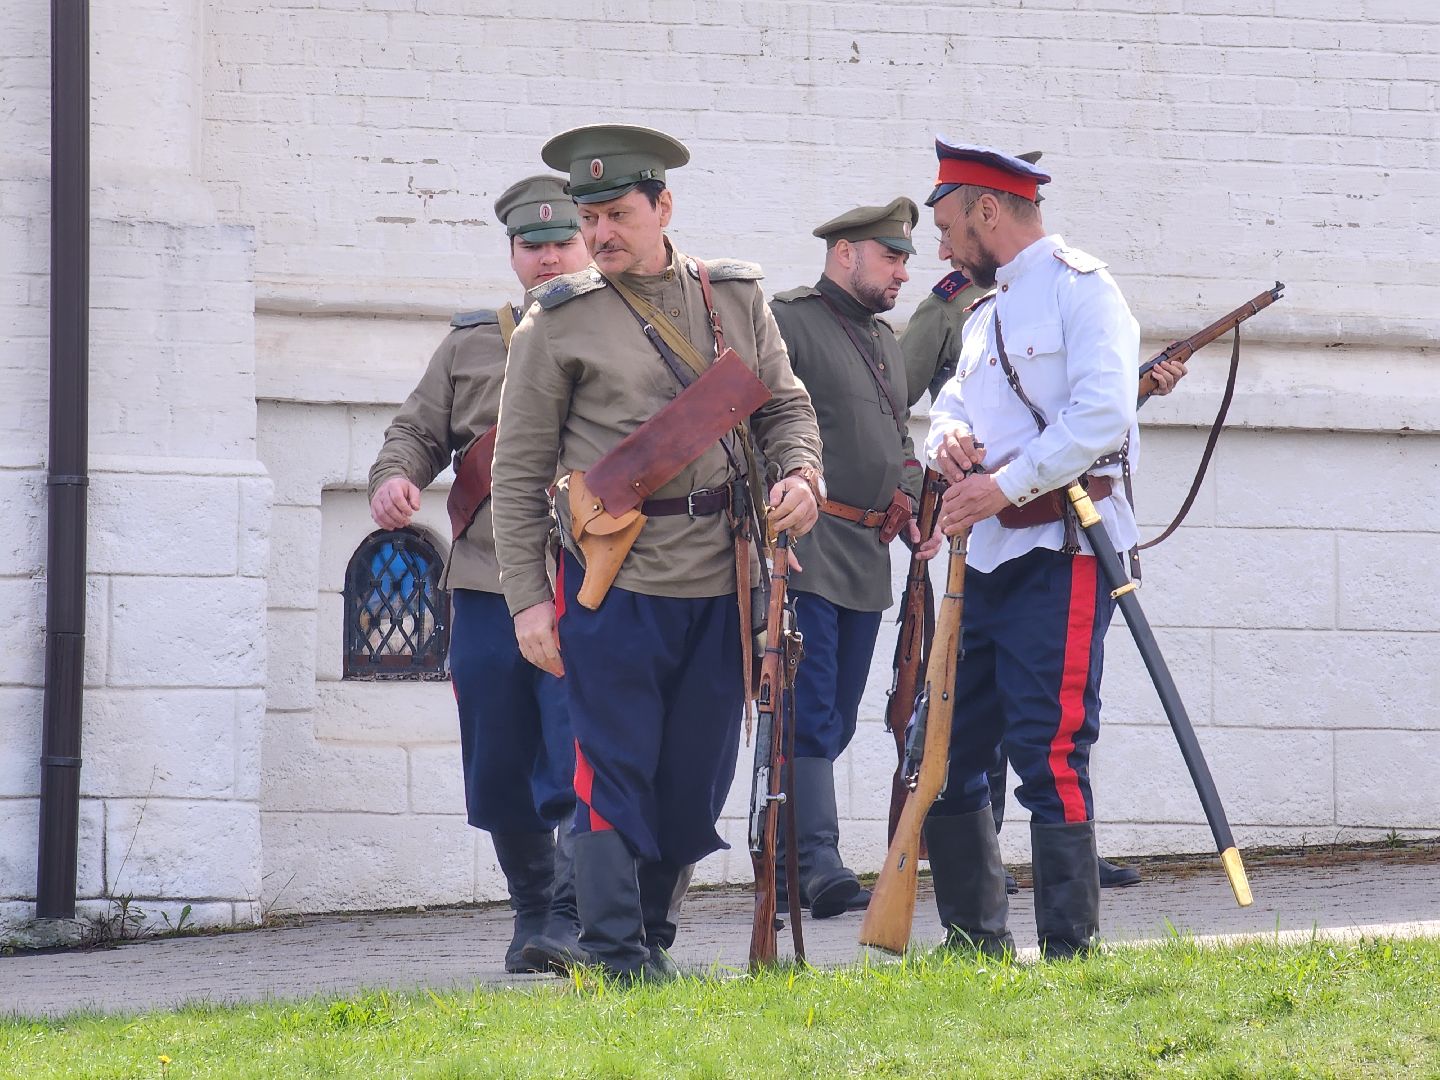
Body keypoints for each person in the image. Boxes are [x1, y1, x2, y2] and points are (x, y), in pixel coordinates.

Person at [490, 124, 824, 981]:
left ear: (663, 206)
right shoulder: (557, 321)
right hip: (611, 584)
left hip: (723, 578)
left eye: (618, 215)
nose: (599, 233)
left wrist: (801, 474)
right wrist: (528, 601)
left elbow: (785, 406)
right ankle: (613, 952)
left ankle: (652, 936)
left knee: (693, 778)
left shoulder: (735, 298)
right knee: (612, 770)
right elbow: (517, 474)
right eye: (588, 217)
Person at [900, 150, 1183, 894]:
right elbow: (951, 406)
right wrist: (946, 439)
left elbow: (1101, 417)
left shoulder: (1084, 291)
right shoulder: (984, 313)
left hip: (1063, 548)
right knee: (949, 748)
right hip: (983, 558)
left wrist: (1002, 487)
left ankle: (1067, 943)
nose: (942, 249)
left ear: (988, 211)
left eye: (947, 227)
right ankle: (973, 940)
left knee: (1048, 749)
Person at [366, 174, 590, 975]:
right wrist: (395, 477)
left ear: (588, 242)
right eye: (533, 246)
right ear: (512, 253)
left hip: (588, 580)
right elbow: (416, 430)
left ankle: (574, 914)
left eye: (563, 241)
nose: (549, 258)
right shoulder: (471, 344)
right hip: (490, 582)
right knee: (498, 757)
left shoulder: (621, 331)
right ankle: (533, 909)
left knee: (579, 750)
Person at [768, 198, 941, 917]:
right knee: (807, 709)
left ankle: (786, 860)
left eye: (904, 259)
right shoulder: (789, 320)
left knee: (836, 717)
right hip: (809, 546)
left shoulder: (883, 340)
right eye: (891, 257)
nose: (903, 272)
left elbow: (898, 437)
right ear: (845, 253)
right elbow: (757, 423)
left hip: (868, 553)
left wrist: (912, 499)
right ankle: (817, 862)